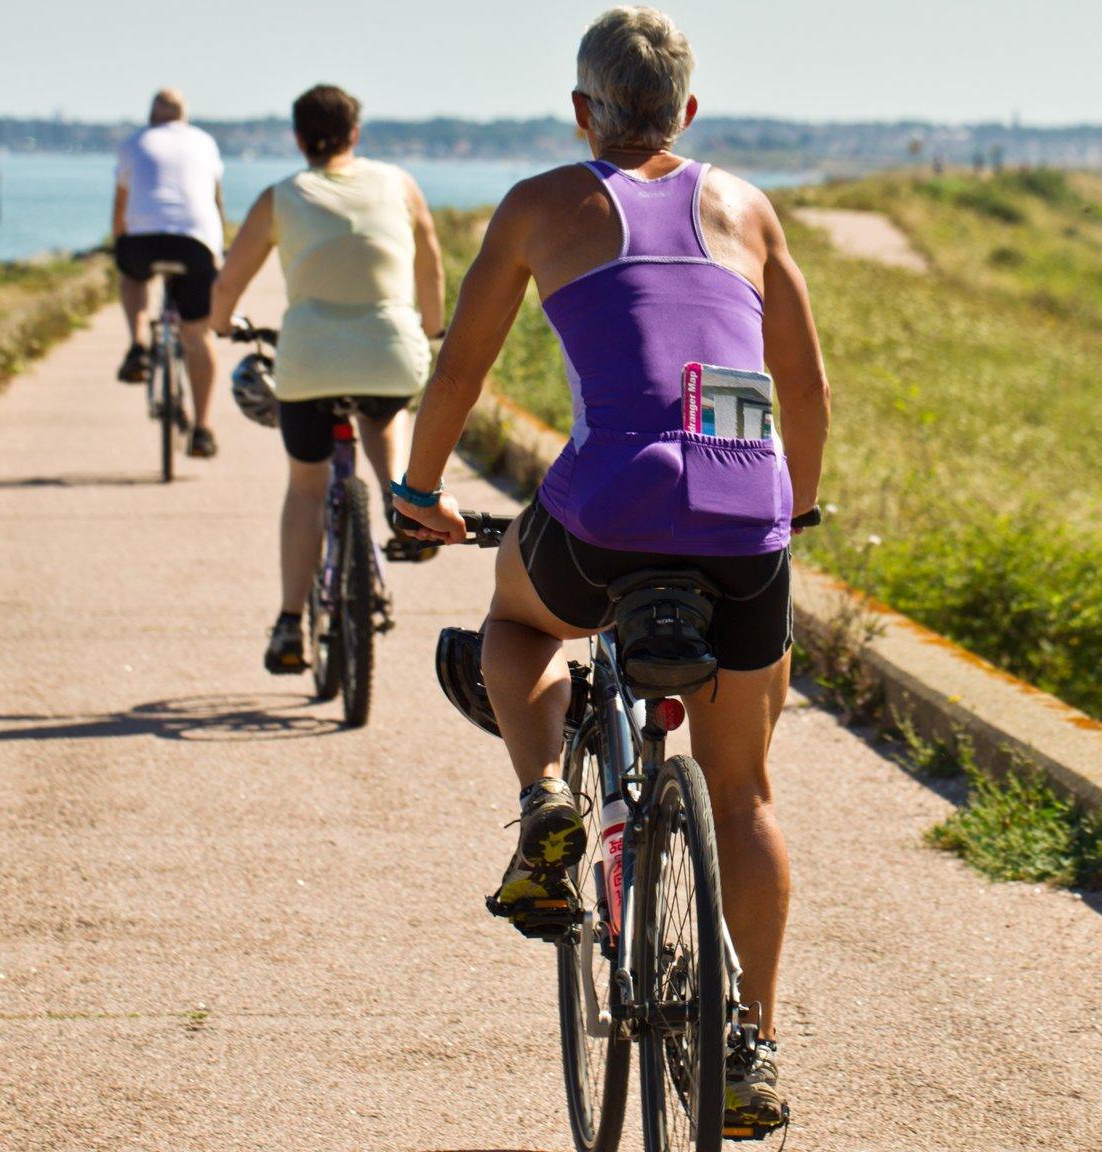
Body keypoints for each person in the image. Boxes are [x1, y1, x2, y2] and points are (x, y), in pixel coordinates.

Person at [390, 6, 829, 1136]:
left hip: (608, 516)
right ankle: (751, 1044)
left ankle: (544, 798)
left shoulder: (544, 202)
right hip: (746, 512)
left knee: (519, 620)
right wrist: (796, 509)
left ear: (582, 111)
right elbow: (807, 390)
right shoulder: (746, 205)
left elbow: (461, 364)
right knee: (745, 795)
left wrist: (415, 490)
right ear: (687, 111)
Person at [210, 84, 447, 673]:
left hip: (309, 361)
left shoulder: (280, 196)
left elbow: (228, 282)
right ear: (355, 133)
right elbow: (431, 259)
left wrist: (223, 324)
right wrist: (434, 327)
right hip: (391, 352)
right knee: (384, 414)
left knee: (307, 488)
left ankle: (290, 624)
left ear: (297, 137)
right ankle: (404, 509)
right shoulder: (399, 184)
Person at [113, 87, 227, 458]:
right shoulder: (204, 142)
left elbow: (122, 204)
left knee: (132, 276)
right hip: (196, 242)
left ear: (151, 116)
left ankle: (138, 345)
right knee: (197, 335)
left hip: (144, 240)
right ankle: (203, 428)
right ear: (184, 117)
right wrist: (218, 252)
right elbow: (215, 201)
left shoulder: (135, 141)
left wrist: (120, 245)